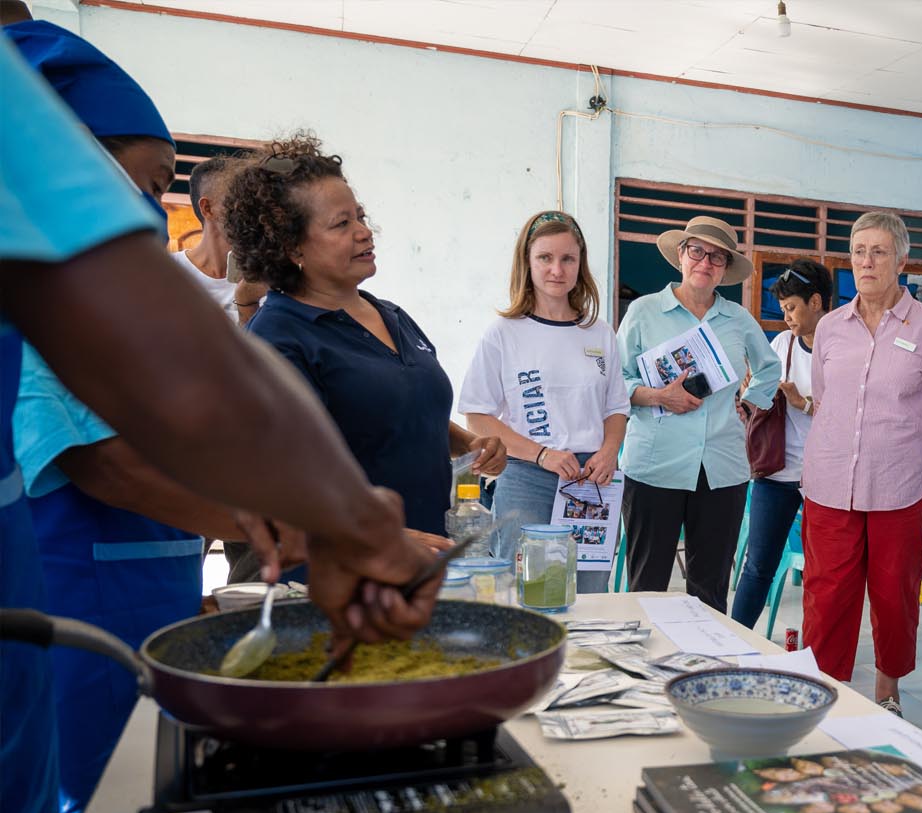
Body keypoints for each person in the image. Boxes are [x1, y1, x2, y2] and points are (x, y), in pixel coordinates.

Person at [0, 38, 438, 813]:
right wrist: (344, 524)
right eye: (150, 181)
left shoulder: (389, 318)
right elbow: (176, 393)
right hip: (68, 586)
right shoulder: (19, 130)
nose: (152, 214)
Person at [225, 136, 505, 546]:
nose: (364, 232)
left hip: (423, 557)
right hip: (340, 571)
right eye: (341, 224)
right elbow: (285, 481)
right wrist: (384, 538)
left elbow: (396, 409)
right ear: (291, 247)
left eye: (360, 216)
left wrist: (468, 443)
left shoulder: (391, 316)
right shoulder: (279, 336)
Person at [801, 215, 922, 710]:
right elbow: (824, 397)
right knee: (827, 593)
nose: (867, 261)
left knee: (893, 593)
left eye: (880, 251)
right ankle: (828, 689)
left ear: (902, 260)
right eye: (859, 250)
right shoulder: (829, 327)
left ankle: (887, 693)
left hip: (899, 481)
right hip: (829, 480)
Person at [460, 209, 629, 591]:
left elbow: (616, 407)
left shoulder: (599, 333)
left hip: (592, 482)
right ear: (528, 262)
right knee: (525, 594)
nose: (557, 269)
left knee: (588, 596)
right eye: (545, 258)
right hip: (528, 479)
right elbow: (477, 415)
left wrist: (609, 450)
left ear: (580, 264)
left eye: (568, 258)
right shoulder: (504, 333)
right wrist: (541, 454)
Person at [616, 215, 779, 610]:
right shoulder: (643, 311)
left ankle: (704, 667)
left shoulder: (738, 320)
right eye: (697, 252)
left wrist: (751, 401)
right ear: (680, 255)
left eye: (717, 257)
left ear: (725, 269)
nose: (705, 263)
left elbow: (770, 368)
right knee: (647, 586)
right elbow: (613, 383)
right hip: (656, 463)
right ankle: (645, 670)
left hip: (721, 469)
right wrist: (658, 396)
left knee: (710, 591)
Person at [730, 257, 829, 631]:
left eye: (792, 308)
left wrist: (802, 403)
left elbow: (852, 413)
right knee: (758, 566)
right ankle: (736, 640)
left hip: (824, 479)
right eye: (783, 309)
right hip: (776, 471)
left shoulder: (838, 345)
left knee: (822, 573)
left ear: (816, 302)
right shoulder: (781, 343)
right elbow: (757, 395)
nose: (786, 316)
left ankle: (815, 651)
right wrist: (750, 392)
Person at [171, 154, 267, 323]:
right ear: (207, 208)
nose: (252, 209)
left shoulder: (265, 280)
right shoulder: (167, 273)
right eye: (239, 201)